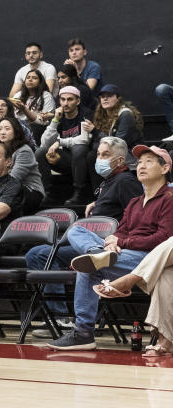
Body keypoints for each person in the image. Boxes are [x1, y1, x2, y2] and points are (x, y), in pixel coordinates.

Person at [46, 145, 173, 350]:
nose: (141, 165)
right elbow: (122, 231)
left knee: (87, 267)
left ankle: (83, 333)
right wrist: (112, 239)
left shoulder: (169, 199)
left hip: (149, 259)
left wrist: (121, 242)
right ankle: (96, 252)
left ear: (165, 168)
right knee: (76, 230)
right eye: (139, 162)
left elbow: (164, 239)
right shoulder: (134, 202)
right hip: (123, 256)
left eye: (149, 161)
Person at [36, 85, 93, 206]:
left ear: (78, 101)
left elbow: (84, 140)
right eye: (62, 99)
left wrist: (59, 142)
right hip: (67, 159)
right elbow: (45, 143)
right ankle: (47, 192)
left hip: (83, 159)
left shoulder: (85, 114)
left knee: (79, 148)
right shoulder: (60, 116)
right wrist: (55, 120)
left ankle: (79, 192)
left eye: (70, 99)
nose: (65, 103)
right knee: (41, 152)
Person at [0, 116, 44, 214]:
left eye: (7, 129)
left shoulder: (24, 150)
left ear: (16, 131)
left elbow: (14, 178)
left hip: (30, 191)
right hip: (8, 189)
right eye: (0, 129)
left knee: (12, 187)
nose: (2, 132)